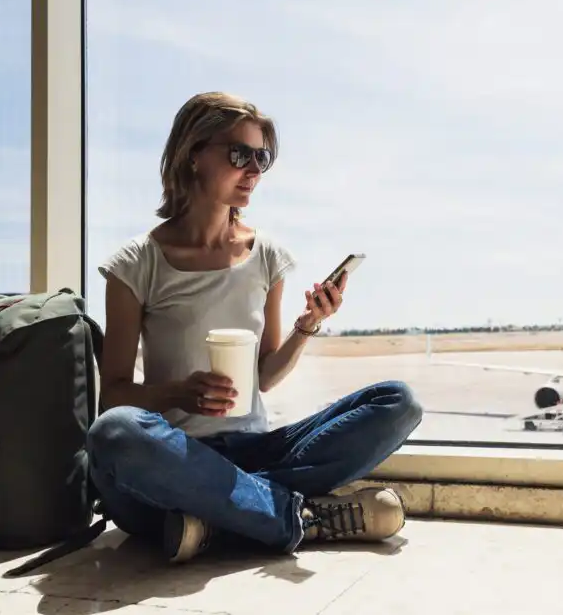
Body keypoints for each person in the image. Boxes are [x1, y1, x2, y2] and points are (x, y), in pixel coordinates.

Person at [87, 91, 424, 563]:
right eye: (239, 154)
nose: (255, 171)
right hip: (175, 455)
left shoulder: (266, 256)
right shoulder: (136, 263)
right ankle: (297, 518)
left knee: (397, 403)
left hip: (253, 448)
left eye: (262, 158)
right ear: (193, 155)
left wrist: (307, 328)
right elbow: (115, 395)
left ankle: (215, 521)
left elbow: (262, 377)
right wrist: (178, 394)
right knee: (113, 433)